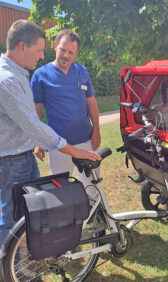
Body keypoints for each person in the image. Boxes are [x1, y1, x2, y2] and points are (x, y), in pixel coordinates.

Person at [0, 20, 100, 250]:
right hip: (14, 161)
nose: (40, 56)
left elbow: (29, 118)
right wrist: (68, 148)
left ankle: (33, 253)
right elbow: (33, 122)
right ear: (21, 46)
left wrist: (95, 129)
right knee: (13, 217)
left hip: (21, 157)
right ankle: (16, 267)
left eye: (72, 52)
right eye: (39, 50)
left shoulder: (18, 73)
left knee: (31, 210)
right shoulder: (9, 79)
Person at [30, 30, 101, 196]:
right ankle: (67, 219)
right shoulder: (40, 76)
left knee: (92, 185)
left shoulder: (82, 71)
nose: (66, 55)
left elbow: (91, 101)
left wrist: (96, 129)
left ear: (76, 54)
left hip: (85, 140)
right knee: (61, 188)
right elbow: (35, 110)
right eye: (63, 49)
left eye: (71, 52)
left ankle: (97, 216)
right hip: (58, 144)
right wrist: (38, 140)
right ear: (55, 47)